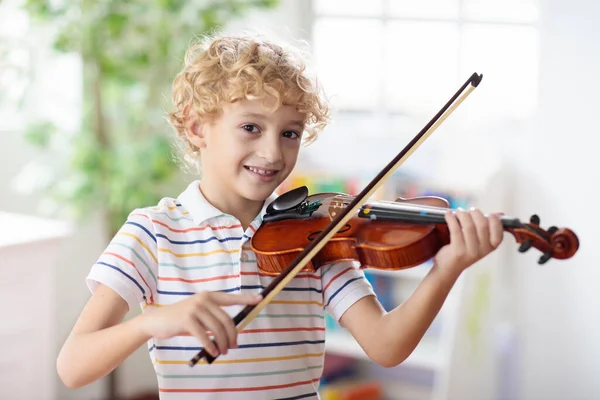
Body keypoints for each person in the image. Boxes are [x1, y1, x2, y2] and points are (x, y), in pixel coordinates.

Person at [56, 32, 504, 399]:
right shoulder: (153, 233)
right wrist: (153, 321)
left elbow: (386, 346)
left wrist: (446, 270)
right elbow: (73, 366)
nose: (273, 152)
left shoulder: (317, 237)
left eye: (290, 132)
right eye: (251, 127)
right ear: (197, 127)